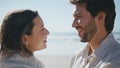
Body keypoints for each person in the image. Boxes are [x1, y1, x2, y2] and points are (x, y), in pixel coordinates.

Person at [69, 0, 120, 68]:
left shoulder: (116, 62)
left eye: (78, 16)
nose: (73, 25)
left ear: (100, 17)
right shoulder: (77, 57)